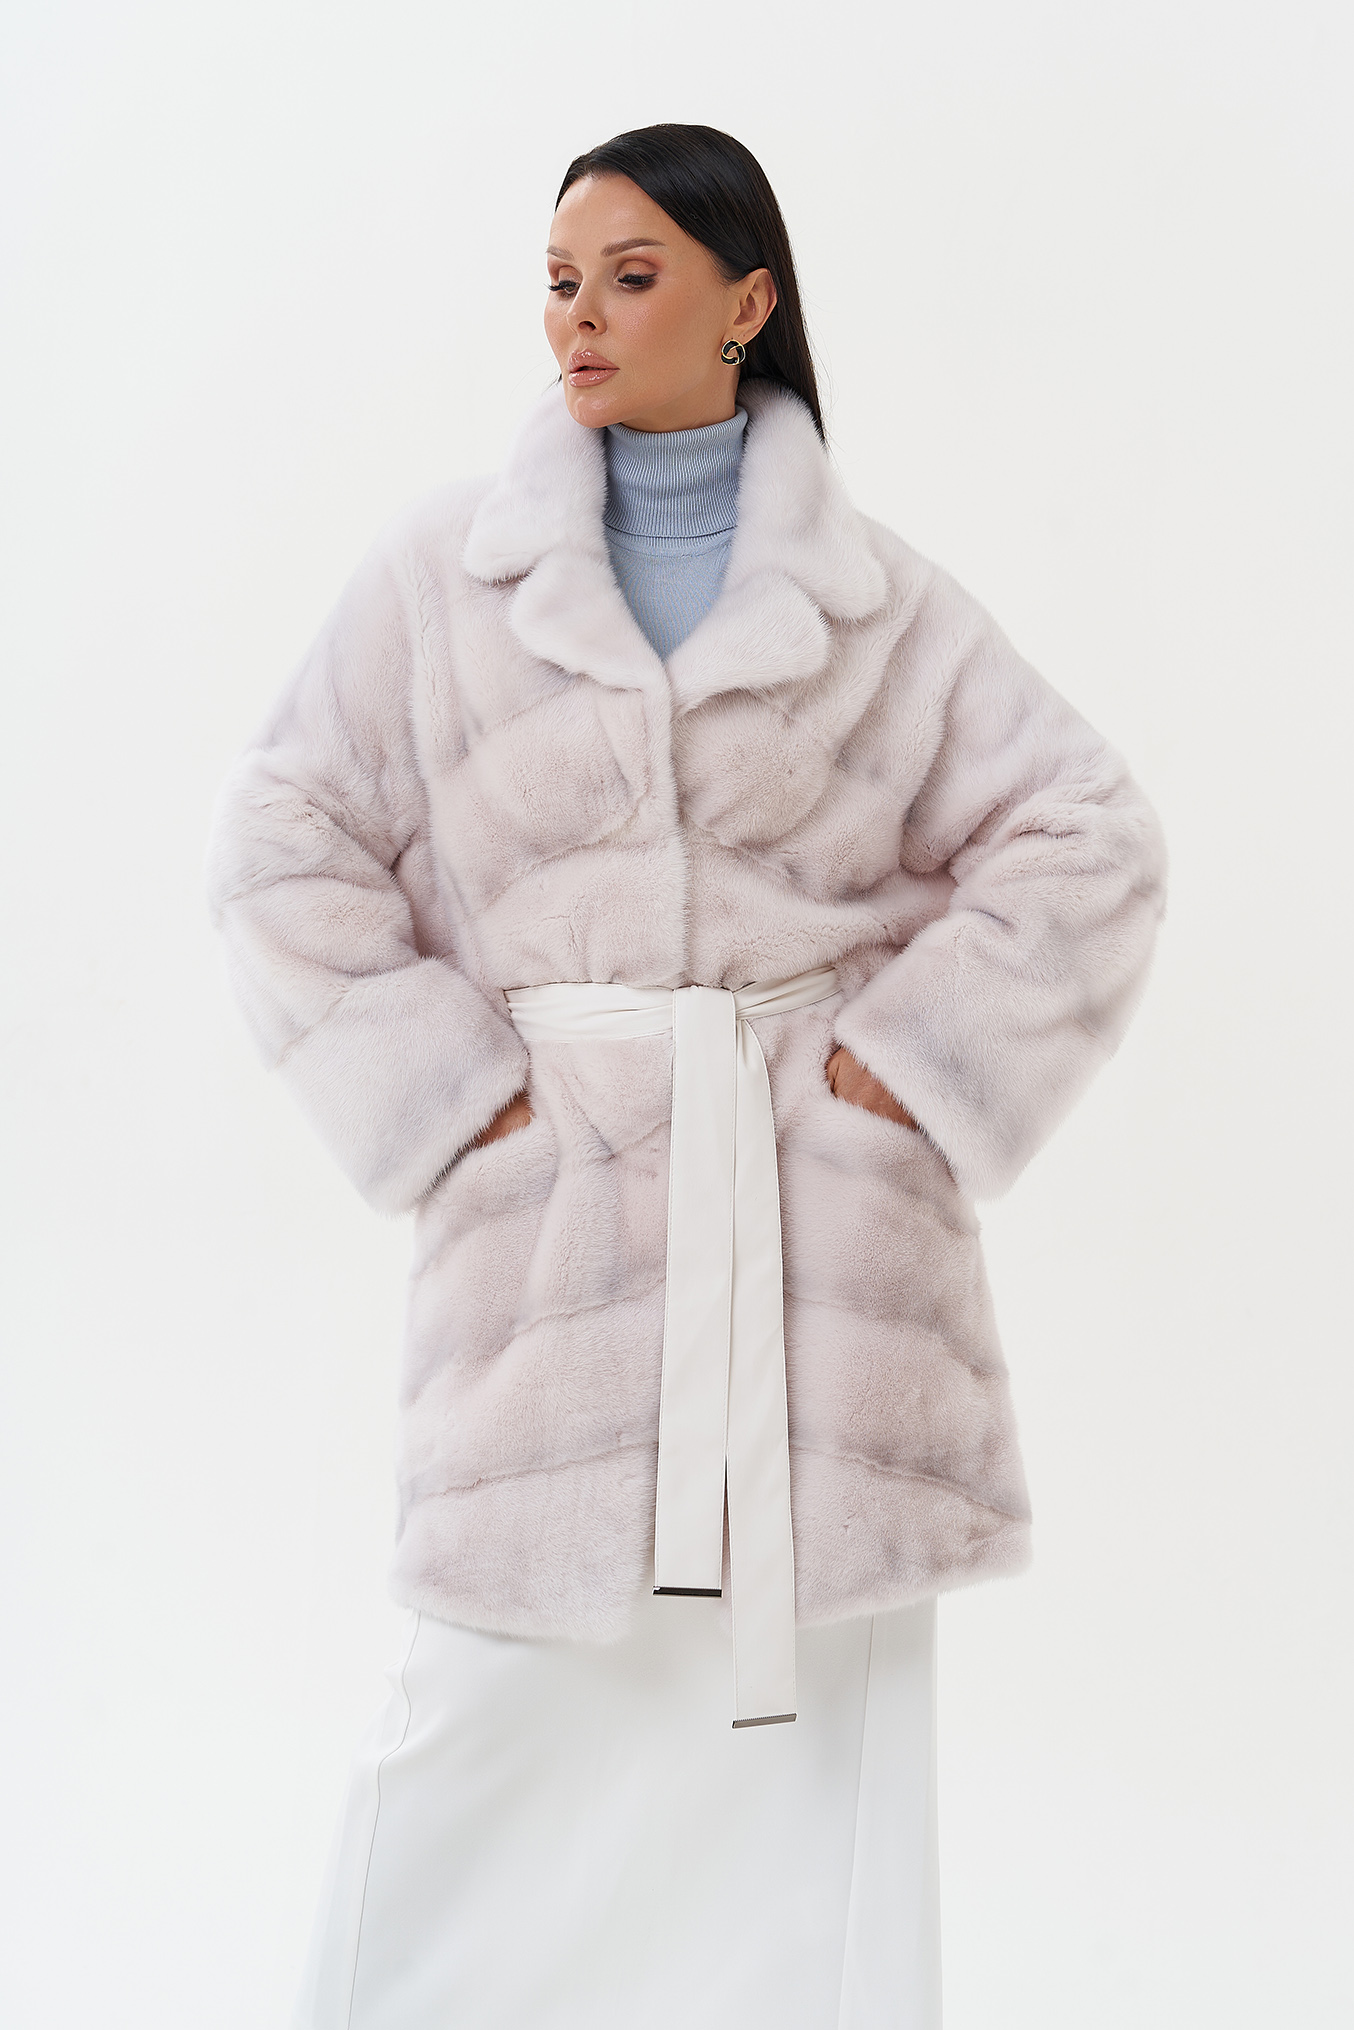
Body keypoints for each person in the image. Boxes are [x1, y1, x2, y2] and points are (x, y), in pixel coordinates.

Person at [206, 123, 1167, 2030]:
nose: (578, 317)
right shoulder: (441, 581)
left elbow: (1090, 838)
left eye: (630, 278)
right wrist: (450, 1101)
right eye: (559, 281)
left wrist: (902, 1070)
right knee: (475, 1713)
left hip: (821, 1267)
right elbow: (279, 843)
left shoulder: (879, 603)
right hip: (544, 1249)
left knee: (805, 1773)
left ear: (746, 304)